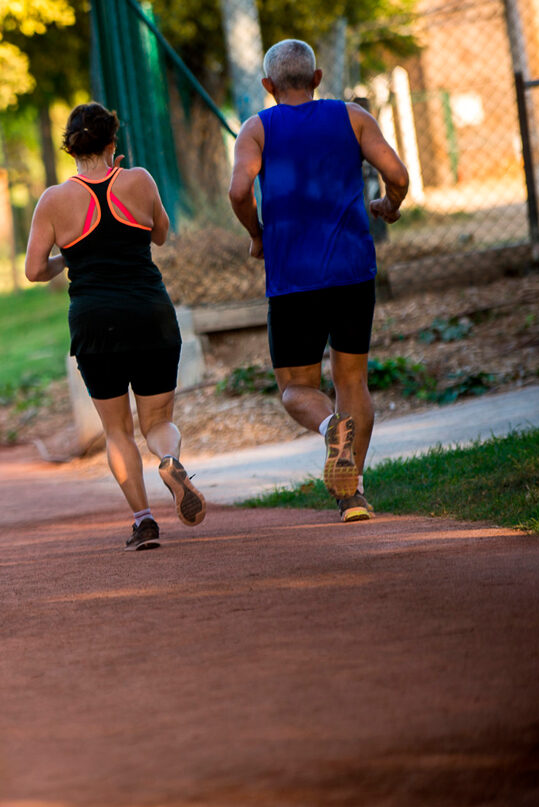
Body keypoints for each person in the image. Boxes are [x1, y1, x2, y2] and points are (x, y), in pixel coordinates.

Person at [228, 39, 409, 522]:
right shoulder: (352, 117)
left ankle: (332, 428)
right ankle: (353, 494)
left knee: (295, 388)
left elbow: (239, 189)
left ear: (267, 86)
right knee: (353, 380)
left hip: (293, 279)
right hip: (352, 270)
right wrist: (388, 207)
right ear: (317, 78)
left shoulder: (258, 128)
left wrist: (256, 233)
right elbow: (396, 172)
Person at [25, 103, 206, 552]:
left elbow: (33, 271)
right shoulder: (139, 180)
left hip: (94, 321)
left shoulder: (53, 200)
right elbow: (160, 233)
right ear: (112, 144)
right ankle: (168, 460)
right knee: (158, 420)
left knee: (118, 430)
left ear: (70, 147)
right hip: (150, 313)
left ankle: (144, 523)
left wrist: (73, 253)